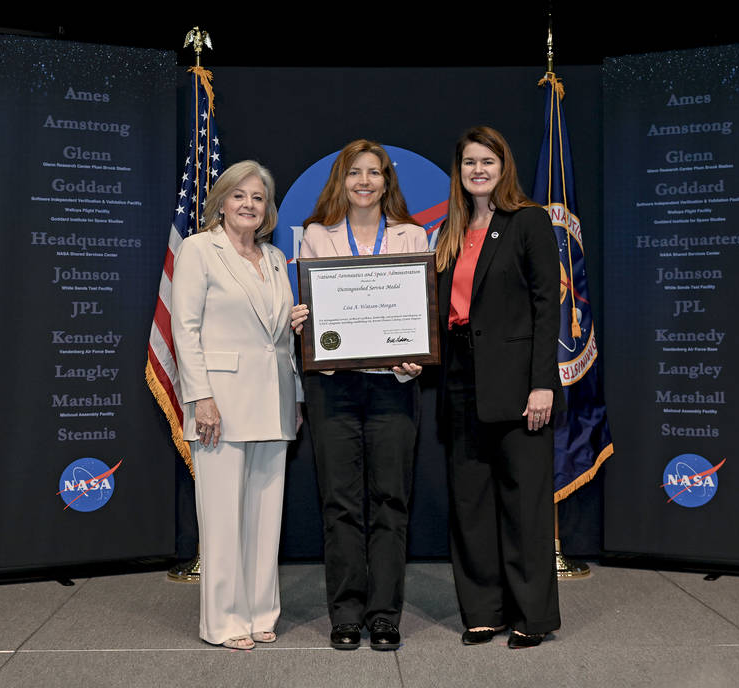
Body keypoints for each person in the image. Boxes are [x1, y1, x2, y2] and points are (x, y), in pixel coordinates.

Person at [290, 139, 428, 651]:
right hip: (334, 387)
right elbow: (309, 307)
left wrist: (419, 353)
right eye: (354, 173)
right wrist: (300, 320)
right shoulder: (315, 236)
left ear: (387, 181)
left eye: (374, 173)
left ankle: (384, 614)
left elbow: (422, 313)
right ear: (340, 181)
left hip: (394, 385)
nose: (364, 182)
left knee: (391, 501)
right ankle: (346, 612)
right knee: (341, 503)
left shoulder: (413, 236)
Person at [435, 126, 564, 649]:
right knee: (471, 502)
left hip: (518, 385)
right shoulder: (451, 228)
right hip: (461, 379)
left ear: (503, 165)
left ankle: (531, 616)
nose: (478, 170)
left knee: (524, 502)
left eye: (488, 160)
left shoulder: (528, 221)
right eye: (469, 162)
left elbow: (546, 307)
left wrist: (542, 385)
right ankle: (483, 611)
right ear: (459, 171)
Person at [171, 160, 302, 650]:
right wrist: (200, 397)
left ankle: (260, 612)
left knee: (266, 518)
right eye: (239, 196)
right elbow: (184, 328)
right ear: (221, 202)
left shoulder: (272, 257)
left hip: (274, 401)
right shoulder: (198, 249)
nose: (249, 205)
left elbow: (280, 340)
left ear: (268, 209)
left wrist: (299, 395)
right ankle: (224, 621)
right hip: (219, 406)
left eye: (259, 198)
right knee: (224, 518)